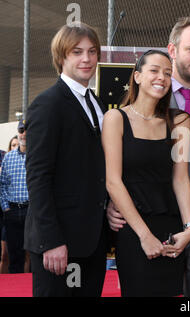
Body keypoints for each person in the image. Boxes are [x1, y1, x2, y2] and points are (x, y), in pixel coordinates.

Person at [107, 17, 190, 297]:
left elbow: (187, 174)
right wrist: (113, 208)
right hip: (143, 226)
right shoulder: (118, 117)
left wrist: (189, 226)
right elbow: (113, 176)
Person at [24, 23, 108, 296]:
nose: (87, 59)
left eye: (92, 51)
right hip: (59, 244)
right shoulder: (47, 104)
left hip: (92, 240)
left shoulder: (96, 103)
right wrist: (51, 241)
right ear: (61, 57)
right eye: (77, 52)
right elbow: (38, 177)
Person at [102, 49, 190, 296]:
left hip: (170, 229)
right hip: (134, 230)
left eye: (167, 73)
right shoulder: (115, 118)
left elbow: (181, 178)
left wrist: (189, 228)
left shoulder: (180, 121)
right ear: (138, 76)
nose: (161, 78)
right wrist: (144, 236)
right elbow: (113, 182)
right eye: (154, 70)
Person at [0, 120, 29, 273]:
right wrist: (5, 208)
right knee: (14, 256)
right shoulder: (8, 158)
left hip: (31, 211)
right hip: (11, 212)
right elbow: (2, 184)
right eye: (21, 130)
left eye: (27, 130)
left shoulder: (40, 156)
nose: (24, 133)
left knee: (34, 255)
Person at [0, 135, 19, 273]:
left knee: (23, 256)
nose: (16, 147)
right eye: (13, 144)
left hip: (9, 213)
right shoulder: (6, 158)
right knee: (5, 255)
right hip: (8, 212)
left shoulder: (3, 157)